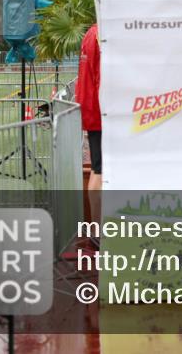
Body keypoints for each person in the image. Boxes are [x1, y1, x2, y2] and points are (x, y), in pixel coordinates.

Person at [75, 23, 102, 229]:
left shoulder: (92, 32)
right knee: (101, 170)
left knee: (97, 168)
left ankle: (96, 227)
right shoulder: (103, 33)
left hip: (93, 111)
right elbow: (103, 78)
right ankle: (100, 229)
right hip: (102, 113)